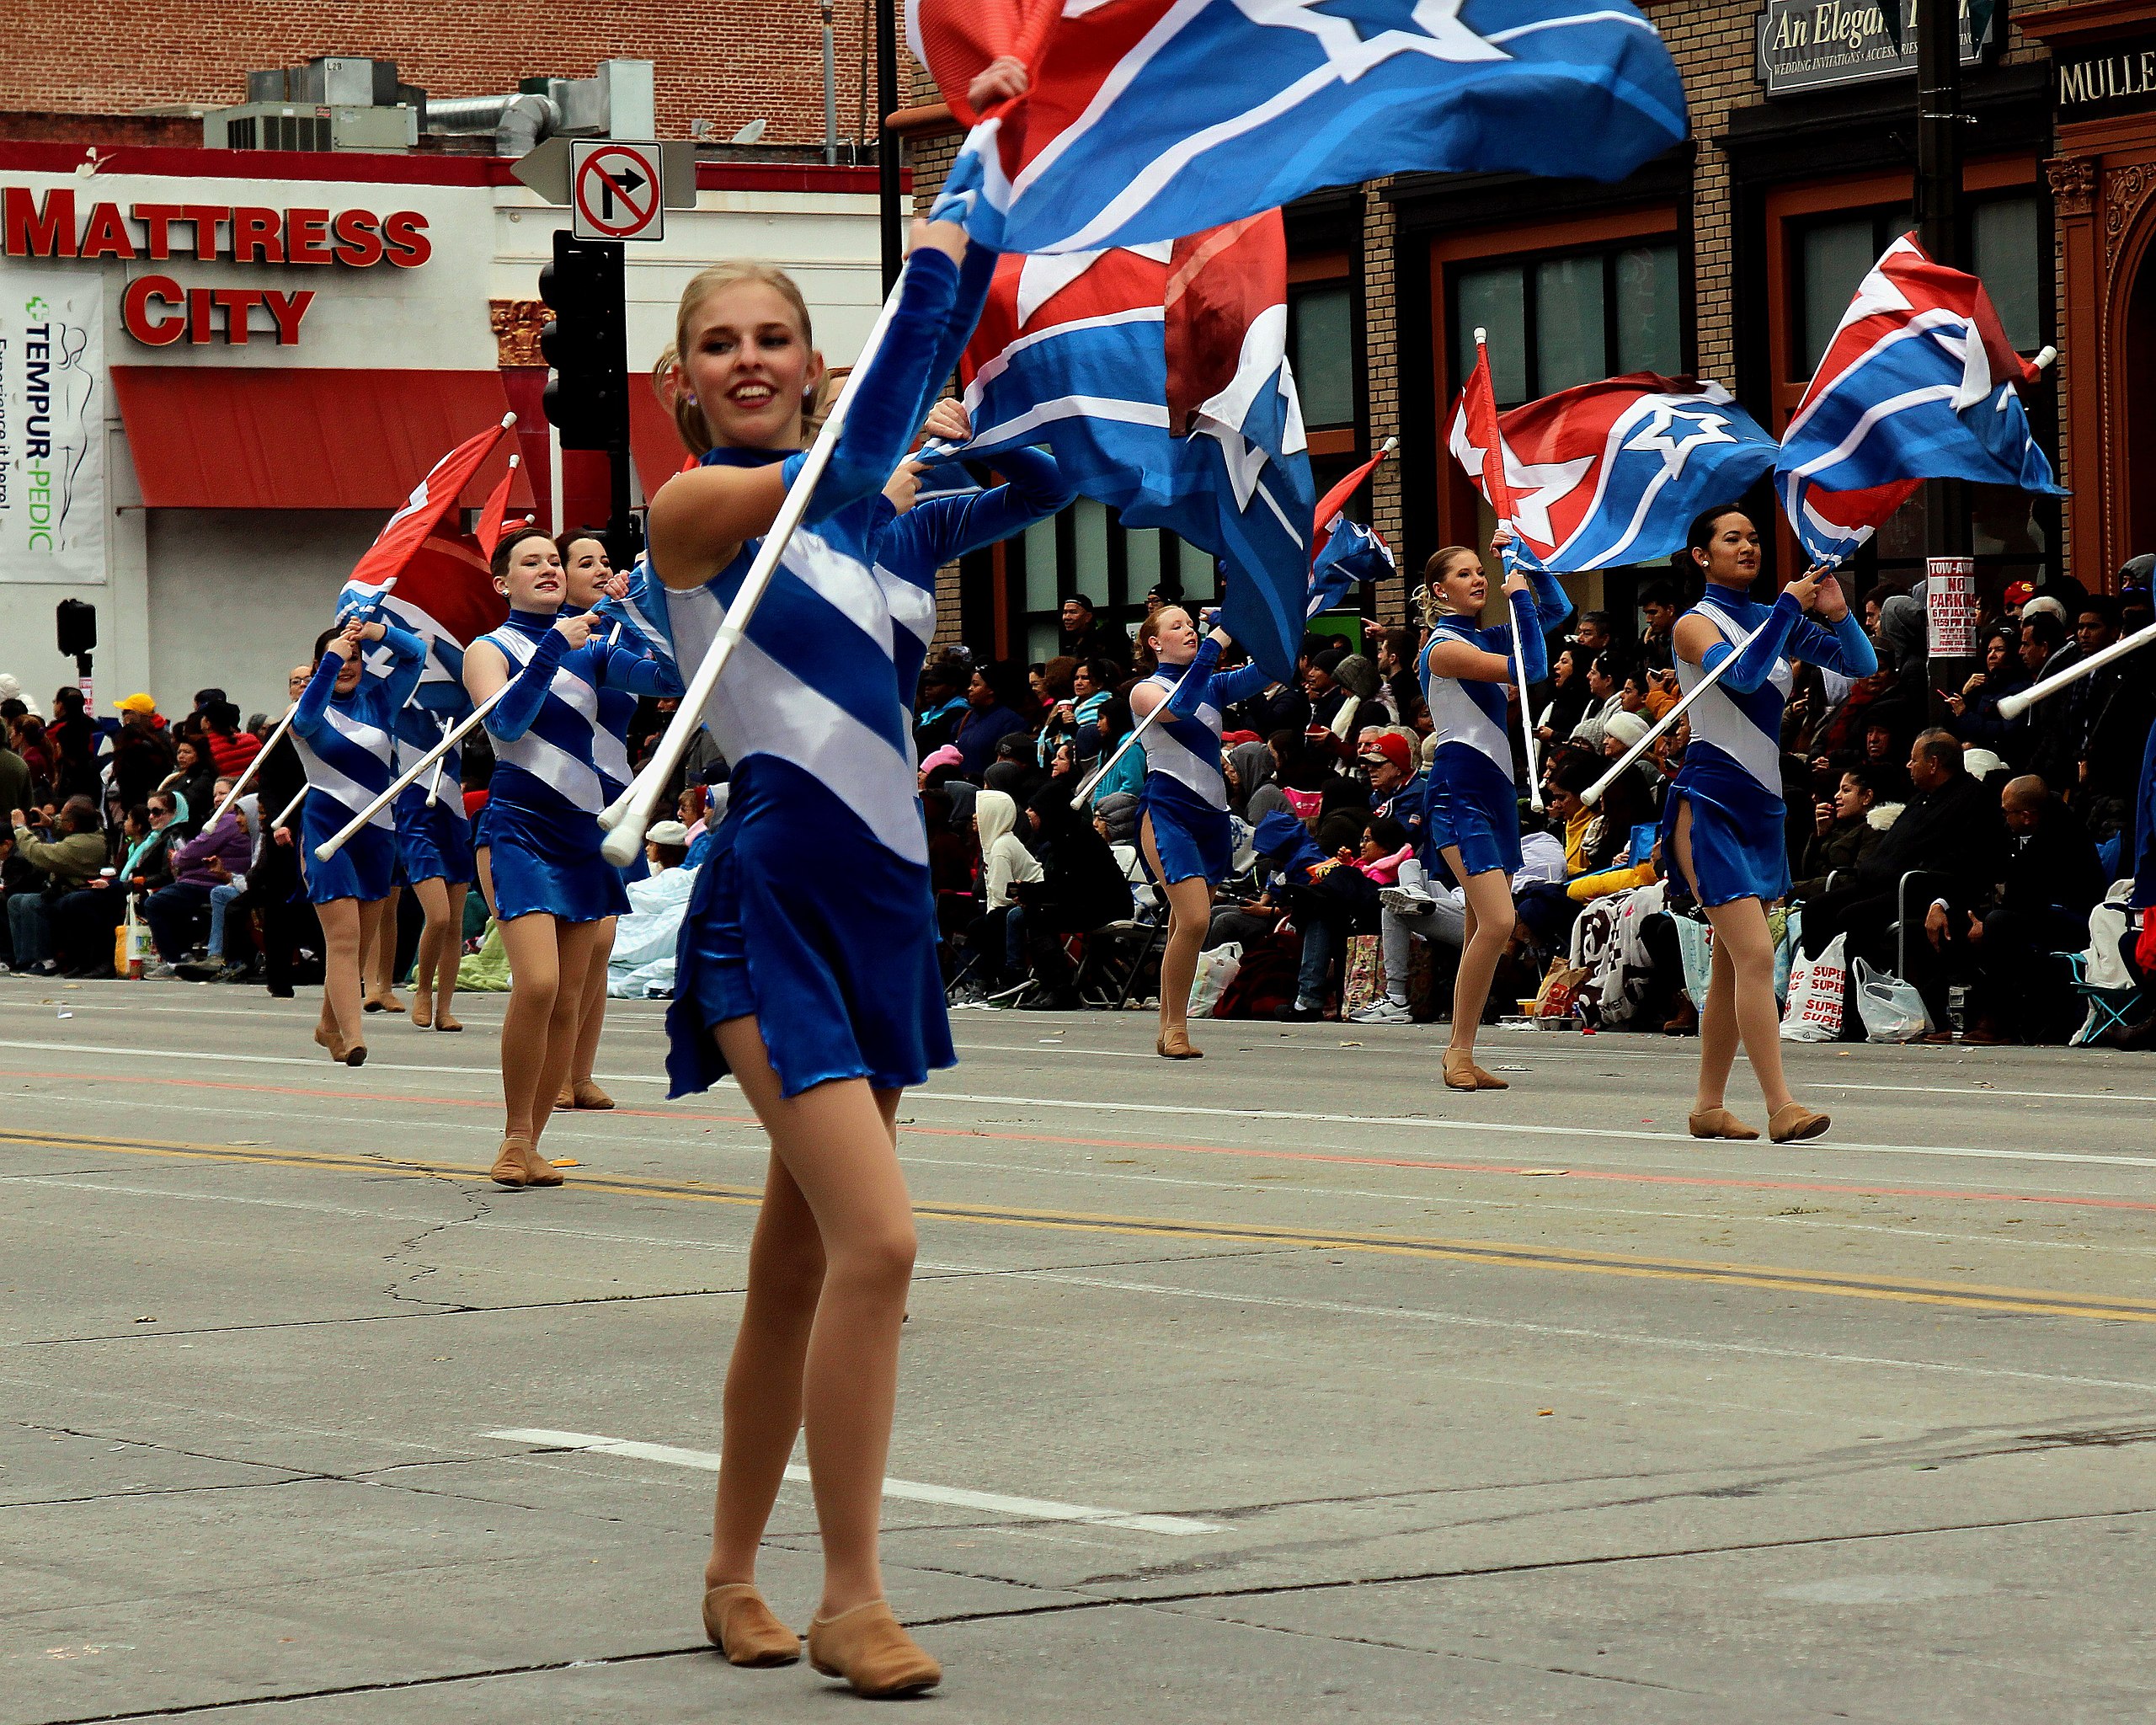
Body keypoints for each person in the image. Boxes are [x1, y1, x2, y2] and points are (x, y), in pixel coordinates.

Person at [640, 231, 997, 1695]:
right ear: (683, 381)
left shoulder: (884, 525)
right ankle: (853, 1594)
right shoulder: (696, 513)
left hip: (887, 909)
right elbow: (831, 479)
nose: (747, 361)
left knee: (795, 1267)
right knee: (882, 1244)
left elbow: (1020, 485)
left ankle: (731, 1573)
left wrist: (1081, 406)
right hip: (769, 905)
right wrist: (940, 292)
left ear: (814, 364)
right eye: (719, 343)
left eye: (769, 339)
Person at [467, 526, 680, 1184]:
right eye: (531, 562)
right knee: (537, 983)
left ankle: (532, 1140)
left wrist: (641, 607)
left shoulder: (591, 646)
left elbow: (671, 677)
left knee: (570, 996)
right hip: (520, 828)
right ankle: (510, 1136)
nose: (550, 569)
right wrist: (553, 647)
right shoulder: (487, 648)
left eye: (554, 560)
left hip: (584, 834)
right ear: (503, 582)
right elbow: (503, 724)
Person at [1664, 508, 1875, 1141]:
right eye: (1733, 539)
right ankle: (1781, 1104)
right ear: (1702, 556)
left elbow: (1857, 664)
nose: (1749, 546)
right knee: (1757, 955)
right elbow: (1746, 677)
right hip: (1711, 802)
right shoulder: (1692, 625)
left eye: (1754, 537)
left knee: (1735, 966)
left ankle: (1707, 1105)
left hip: (1763, 806)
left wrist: (1836, 608)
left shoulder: (1766, 618)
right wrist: (1787, 607)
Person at [1417, 538, 1572, 1088]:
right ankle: (1457, 1050)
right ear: (1440, 590)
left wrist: (1526, 561)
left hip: (1495, 794)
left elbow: (1556, 613)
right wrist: (1519, 595)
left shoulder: (1479, 637)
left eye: (1481, 571)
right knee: (1501, 919)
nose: (1479, 580)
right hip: (1459, 793)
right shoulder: (1443, 648)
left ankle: (1462, 1049)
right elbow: (1531, 667)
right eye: (1465, 574)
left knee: (1488, 924)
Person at [1130, 603, 1273, 1058]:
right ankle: (1175, 1026)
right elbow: (1181, 705)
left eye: (1193, 626)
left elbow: (1272, 669)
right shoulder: (1145, 692)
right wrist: (1215, 643)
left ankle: (1169, 1023)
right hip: (1167, 811)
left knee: (1183, 920)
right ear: (1155, 643)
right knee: (1194, 919)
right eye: (1178, 627)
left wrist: (1252, 620)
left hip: (1211, 814)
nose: (1191, 632)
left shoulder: (1212, 682)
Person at [293, 614, 425, 1065]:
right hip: (328, 832)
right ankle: (353, 1037)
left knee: (361, 940)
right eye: (338, 658)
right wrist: (328, 664)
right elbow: (309, 719)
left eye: (354, 658)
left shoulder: (380, 701)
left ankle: (328, 1024)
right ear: (319, 663)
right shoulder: (302, 712)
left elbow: (417, 655)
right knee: (345, 940)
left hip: (378, 834)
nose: (348, 664)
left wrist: (376, 634)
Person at [390, 691, 475, 1034]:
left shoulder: (455, 702)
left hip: (453, 815)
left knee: (454, 922)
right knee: (438, 915)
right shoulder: (400, 703)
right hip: (414, 813)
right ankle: (423, 989)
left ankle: (445, 1007)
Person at [7, 798, 107, 975]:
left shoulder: (83, 845)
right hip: (64, 890)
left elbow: (40, 854)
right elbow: (67, 829)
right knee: (16, 901)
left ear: (72, 825)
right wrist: (51, 823)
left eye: (64, 818)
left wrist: (21, 829)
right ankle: (27, 960)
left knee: (32, 903)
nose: (61, 820)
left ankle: (46, 961)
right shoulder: (89, 832)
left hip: (76, 892)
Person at [1058, 591, 1129, 670]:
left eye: (1073, 612)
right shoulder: (1068, 644)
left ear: (1088, 617)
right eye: (1065, 612)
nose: (1067, 617)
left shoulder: (1108, 636)